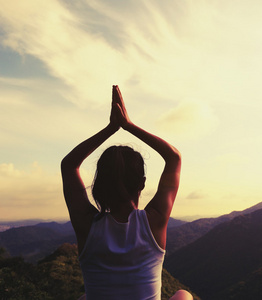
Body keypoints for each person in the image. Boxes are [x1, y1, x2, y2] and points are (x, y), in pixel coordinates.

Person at [61, 85, 192, 300]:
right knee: (183, 295)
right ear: (142, 183)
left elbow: (69, 165)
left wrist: (111, 129)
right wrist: (128, 125)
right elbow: (173, 157)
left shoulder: (86, 224)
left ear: (99, 184)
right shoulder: (154, 221)